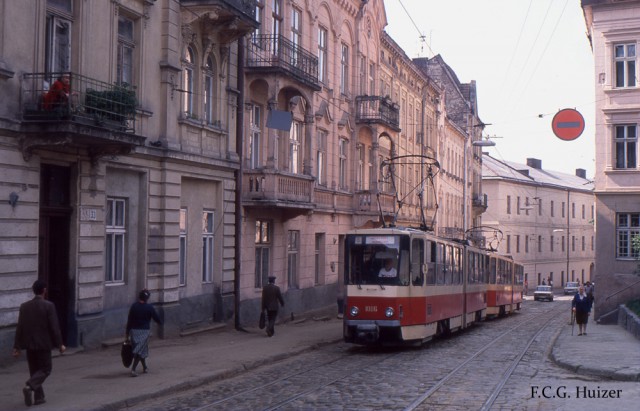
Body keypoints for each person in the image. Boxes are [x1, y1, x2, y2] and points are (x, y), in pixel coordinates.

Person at [12, 279, 66, 407]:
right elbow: (54, 327)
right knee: (46, 369)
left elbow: (20, 327)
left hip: (29, 344)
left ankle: (39, 397)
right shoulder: (49, 306)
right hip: (43, 344)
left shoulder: (24, 306)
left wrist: (17, 346)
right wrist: (60, 344)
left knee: (35, 370)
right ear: (44, 291)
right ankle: (30, 386)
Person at [125, 289, 162, 377]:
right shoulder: (149, 307)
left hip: (134, 331)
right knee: (139, 350)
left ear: (139, 297)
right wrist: (161, 323)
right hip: (144, 331)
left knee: (141, 349)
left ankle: (145, 367)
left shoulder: (134, 306)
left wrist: (127, 333)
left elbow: (129, 320)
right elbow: (156, 318)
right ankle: (133, 370)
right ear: (147, 298)